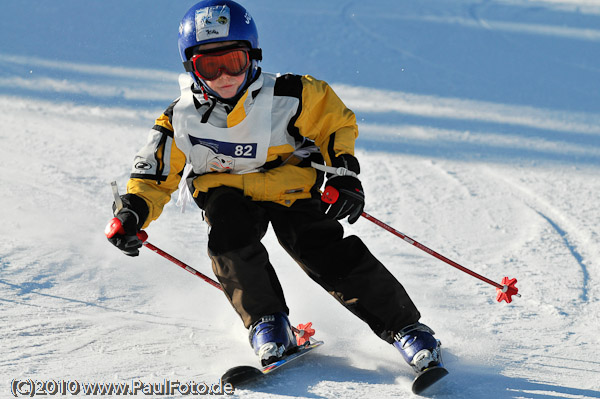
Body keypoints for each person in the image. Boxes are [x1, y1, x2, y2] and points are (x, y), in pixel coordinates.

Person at [106, 0, 443, 374]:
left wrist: (344, 173)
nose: (224, 77)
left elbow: (336, 124)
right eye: (209, 66)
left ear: (252, 56)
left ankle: (405, 328)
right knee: (228, 238)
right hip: (226, 191)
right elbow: (153, 175)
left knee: (319, 247)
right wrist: (133, 211)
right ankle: (267, 323)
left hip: (291, 187)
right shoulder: (180, 118)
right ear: (191, 67)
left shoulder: (291, 95)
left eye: (233, 61)